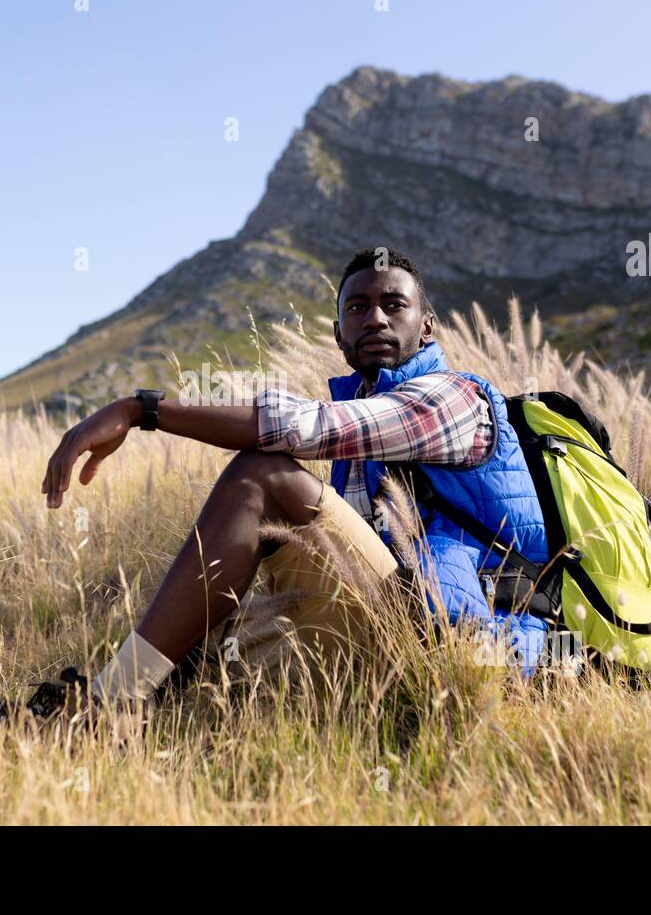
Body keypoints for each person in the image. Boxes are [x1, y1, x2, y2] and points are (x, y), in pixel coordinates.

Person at [27, 247, 551, 720]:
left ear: (427, 326)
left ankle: (109, 706)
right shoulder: (365, 424)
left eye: (394, 305)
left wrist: (140, 410)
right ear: (339, 334)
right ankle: (126, 702)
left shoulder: (455, 400)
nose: (375, 318)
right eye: (357, 307)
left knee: (262, 477)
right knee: (208, 637)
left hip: (474, 649)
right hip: (407, 620)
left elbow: (308, 428)